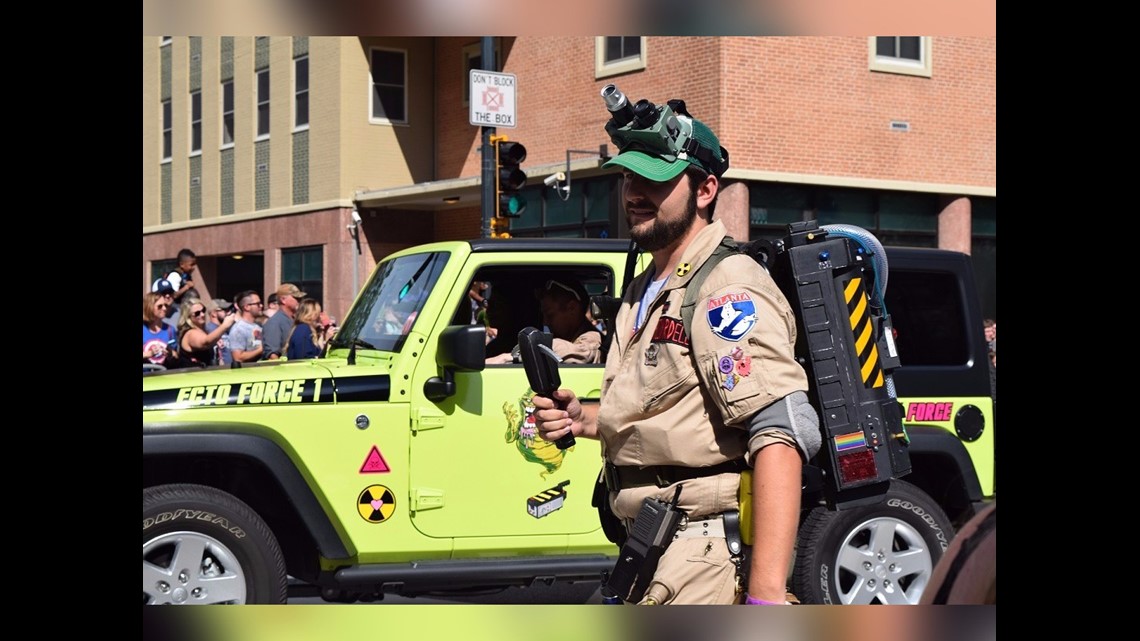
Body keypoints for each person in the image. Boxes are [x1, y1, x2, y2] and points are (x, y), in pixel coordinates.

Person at [532, 101, 820, 605]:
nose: (636, 194)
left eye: (656, 181)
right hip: (650, 546)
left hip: (702, 554)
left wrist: (766, 597)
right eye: (628, 178)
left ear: (705, 189)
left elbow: (780, 433)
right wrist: (584, 419)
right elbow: (671, 410)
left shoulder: (726, 287)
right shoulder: (647, 284)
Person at [537, 277, 602, 364]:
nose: (545, 322)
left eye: (550, 315)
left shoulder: (592, 339)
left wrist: (533, 347)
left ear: (572, 308)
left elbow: (584, 353)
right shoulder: (571, 339)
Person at [176, 297, 236, 367]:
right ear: (188, 317)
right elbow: (206, 342)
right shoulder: (190, 333)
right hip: (192, 375)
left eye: (203, 310)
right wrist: (225, 325)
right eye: (197, 313)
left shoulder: (203, 331)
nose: (202, 315)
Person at [262, 283, 307, 359]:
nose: (300, 301)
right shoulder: (275, 323)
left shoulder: (296, 320)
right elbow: (272, 355)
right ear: (283, 300)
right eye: (296, 298)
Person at [143, 291, 178, 370]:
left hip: (164, 377)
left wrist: (170, 353)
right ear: (150, 307)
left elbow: (176, 355)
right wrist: (149, 353)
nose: (164, 308)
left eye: (165, 305)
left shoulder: (170, 330)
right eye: (160, 306)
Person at [228, 290, 265, 363]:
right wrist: (260, 350)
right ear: (247, 307)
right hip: (248, 372)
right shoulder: (238, 329)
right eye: (258, 304)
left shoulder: (259, 325)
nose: (261, 306)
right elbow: (238, 357)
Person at [206, 299, 236, 366]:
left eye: (228, 309)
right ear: (213, 313)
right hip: (218, 371)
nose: (228, 312)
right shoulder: (209, 329)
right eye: (224, 310)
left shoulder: (226, 328)